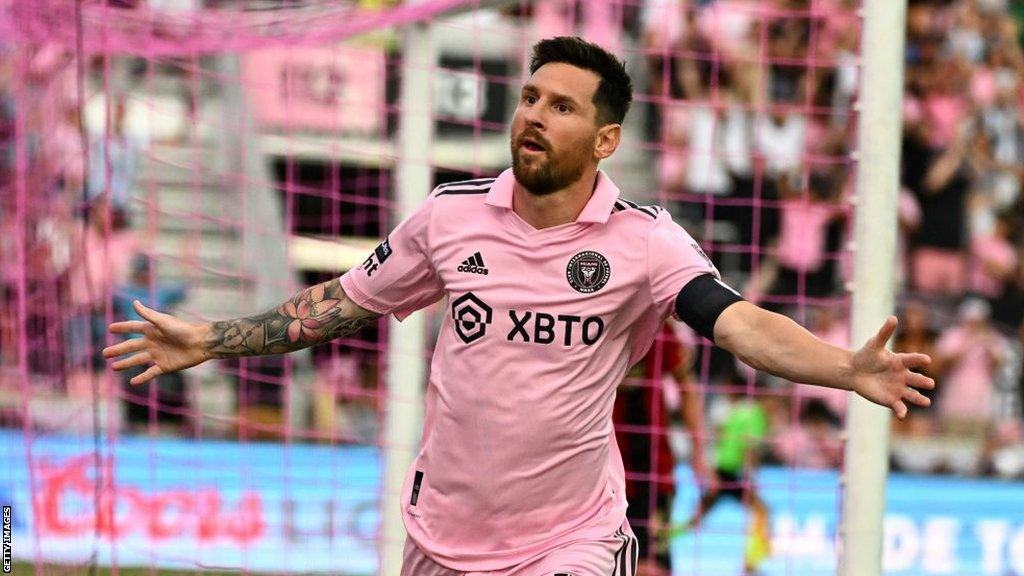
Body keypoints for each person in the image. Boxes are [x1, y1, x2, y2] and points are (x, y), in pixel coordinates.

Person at [104, 37, 935, 576]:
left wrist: (843, 367)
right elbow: (338, 305)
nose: (534, 115)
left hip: (569, 541)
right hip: (441, 535)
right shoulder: (449, 215)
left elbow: (738, 322)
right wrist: (209, 340)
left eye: (562, 106)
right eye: (532, 97)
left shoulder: (645, 241)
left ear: (606, 141)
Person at [612, 322, 708, 575]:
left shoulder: (657, 326)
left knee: (652, 565)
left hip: (652, 466)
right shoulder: (586, 321)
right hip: (596, 468)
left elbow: (686, 384)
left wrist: (699, 451)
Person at [669, 373, 771, 575]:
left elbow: (721, 435)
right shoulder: (754, 413)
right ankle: (751, 563)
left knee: (699, 515)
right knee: (761, 511)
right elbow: (749, 447)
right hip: (732, 473)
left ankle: (663, 538)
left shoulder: (736, 411)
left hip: (720, 469)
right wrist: (752, 476)